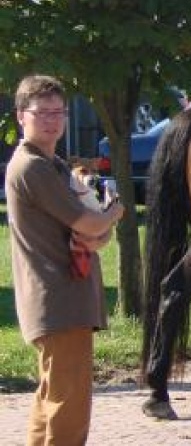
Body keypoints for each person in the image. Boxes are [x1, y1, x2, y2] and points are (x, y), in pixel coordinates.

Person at [6, 74, 124, 446]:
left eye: (59, 112)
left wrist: (99, 227)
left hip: (65, 300)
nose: (52, 121)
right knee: (68, 408)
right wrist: (116, 212)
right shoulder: (33, 168)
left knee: (51, 399)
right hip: (58, 300)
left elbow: (95, 236)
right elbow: (92, 223)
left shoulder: (54, 165)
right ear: (20, 116)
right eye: (42, 113)